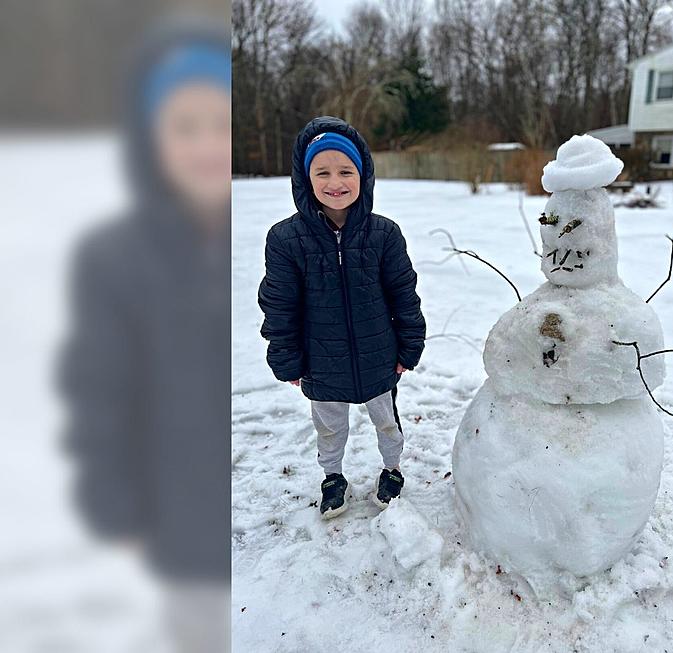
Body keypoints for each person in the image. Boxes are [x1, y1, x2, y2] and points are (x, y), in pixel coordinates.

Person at [59, 20, 232, 653]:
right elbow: (96, 389)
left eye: (222, 124)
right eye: (185, 126)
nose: (208, 143)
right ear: (149, 137)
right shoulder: (114, 257)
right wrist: (112, 499)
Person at [258, 116, 425, 519]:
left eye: (346, 171)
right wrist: (287, 358)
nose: (336, 182)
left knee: (387, 423)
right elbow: (280, 306)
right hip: (321, 362)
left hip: (378, 358)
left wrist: (409, 345)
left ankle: (392, 469)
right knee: (329, 428)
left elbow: (404, 295)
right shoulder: (285, 240)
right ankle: (332, 476)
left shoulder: (384, 234)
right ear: (305, 178)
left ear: (363, 175)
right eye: (323, 172)